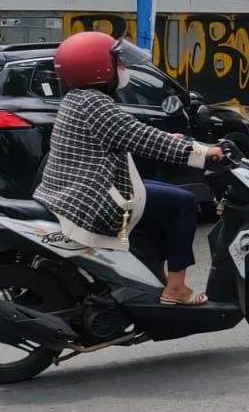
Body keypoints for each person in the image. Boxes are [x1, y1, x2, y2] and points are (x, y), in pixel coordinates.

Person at [33, 31, 223, 306]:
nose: (123, 69)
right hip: (92, 196)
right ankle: (177, 287)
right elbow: (141, 139)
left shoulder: (77, 99)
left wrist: (170, 139)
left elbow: (127, 131)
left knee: (161, 201)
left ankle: (151, 274)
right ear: (98, 68)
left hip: (72, 190)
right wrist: (203, 153)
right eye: (118, 63)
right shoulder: (94, 103)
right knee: (184, 202)